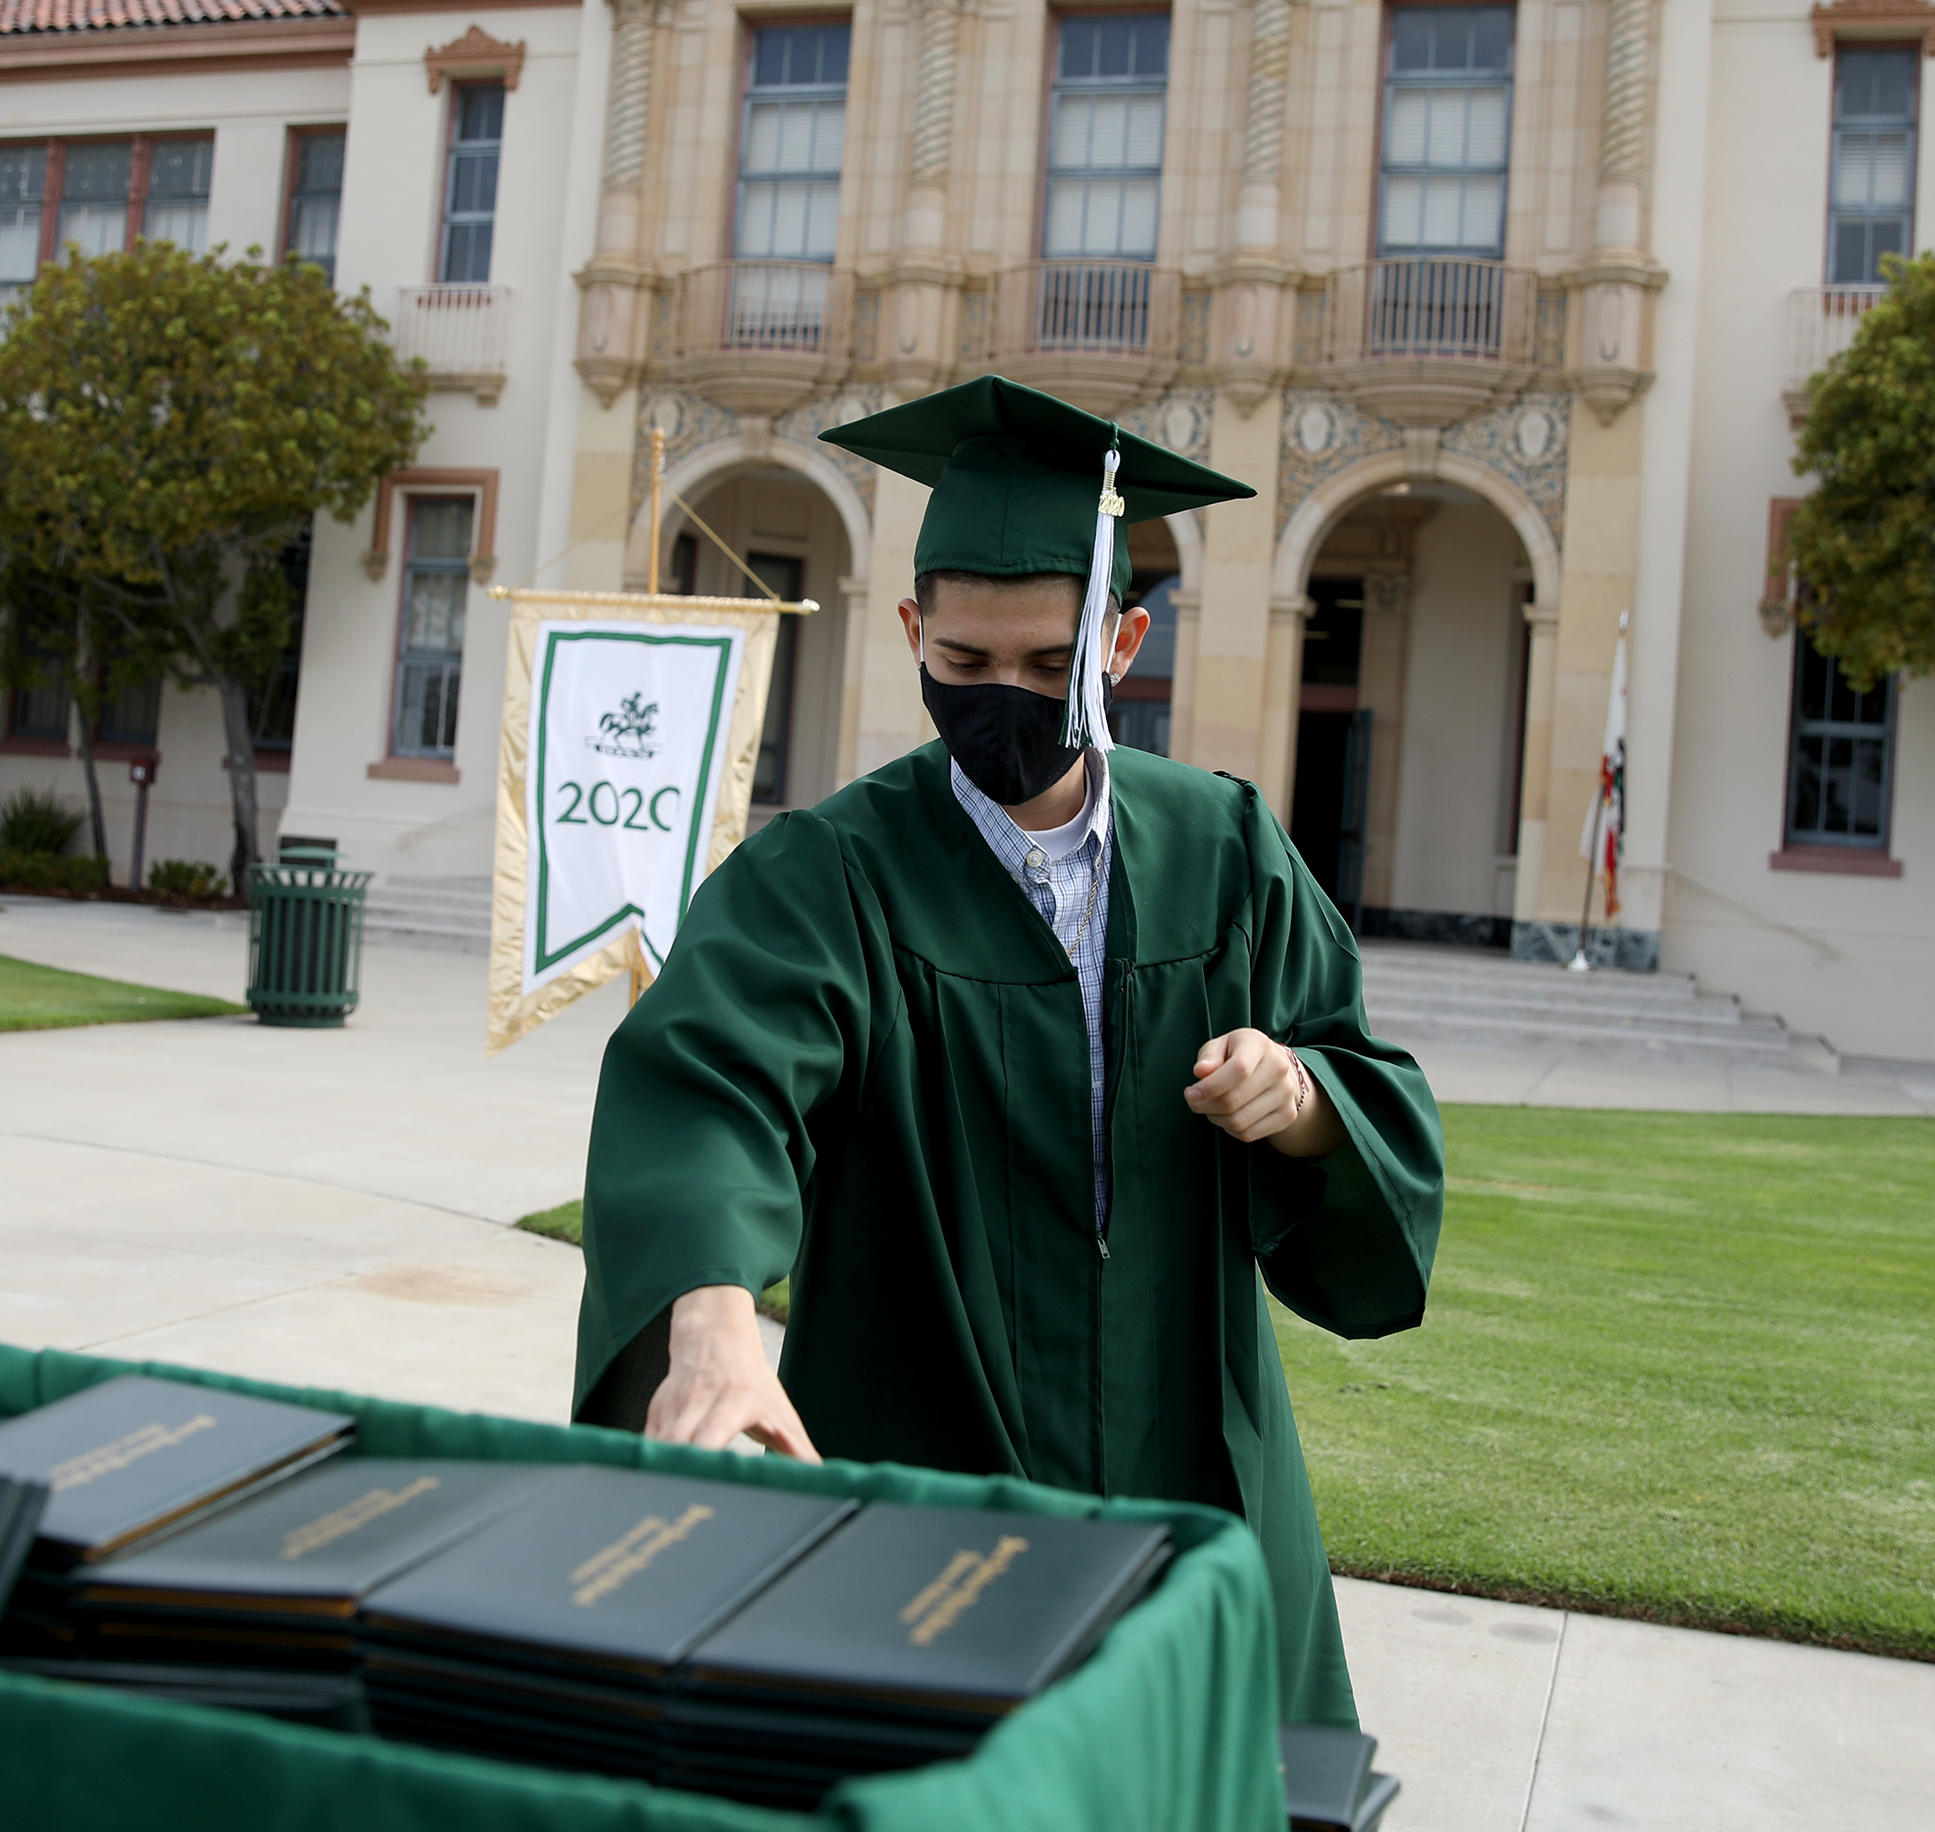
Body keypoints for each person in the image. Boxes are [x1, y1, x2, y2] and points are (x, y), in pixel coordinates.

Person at [569, 376, 1443, 1727]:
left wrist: (1306, 1098)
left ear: (1122, 641)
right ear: (912, 630)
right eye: (963, 665)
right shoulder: (830, 874)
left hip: (1189, 1460)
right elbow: (711, 1094)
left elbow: (1363, 1081)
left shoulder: (1227, 852)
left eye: (1049, 666)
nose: (1002, 703)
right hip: (924, 1454)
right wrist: (715, 1317)